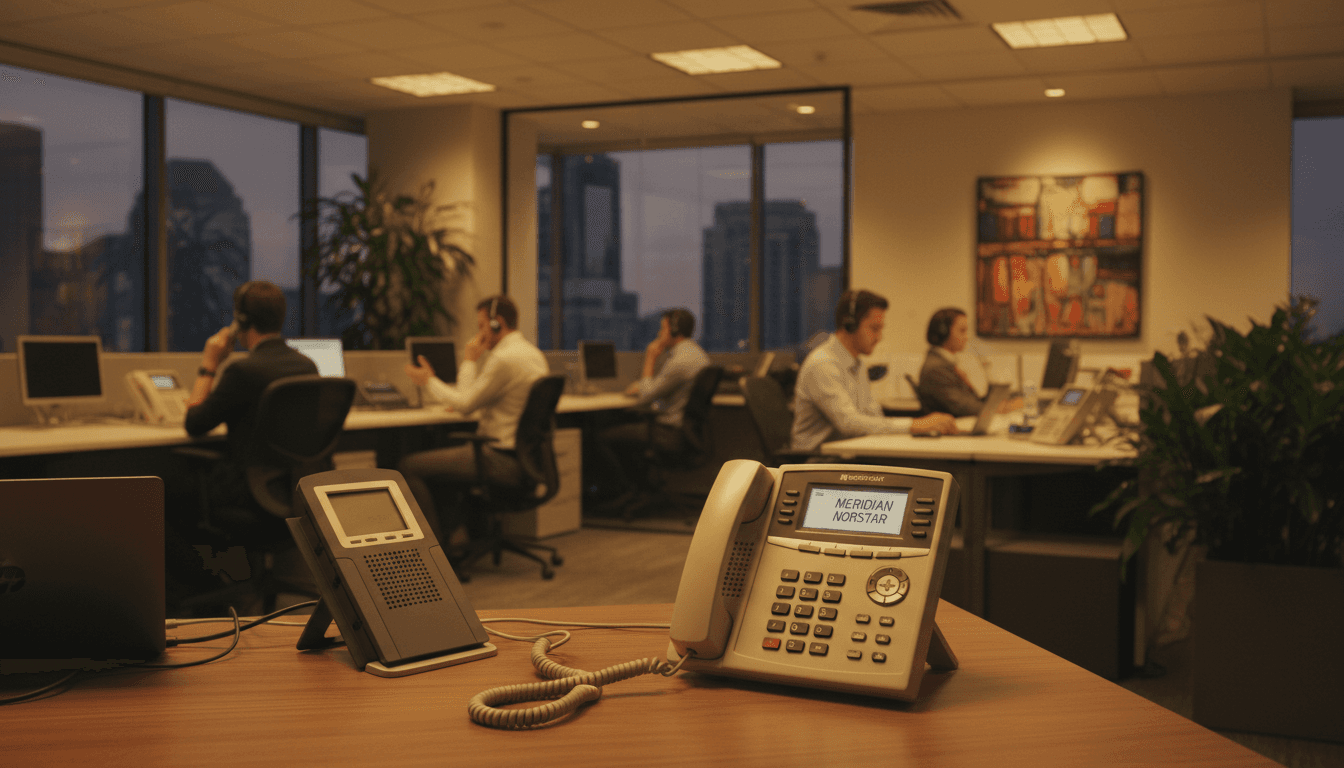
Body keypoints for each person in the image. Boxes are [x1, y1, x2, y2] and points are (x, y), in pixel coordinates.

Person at [399, 295, 549, 543]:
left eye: (481, 326)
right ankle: (459, 534)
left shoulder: (504, 359)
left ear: (496, 324)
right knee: (440, 456)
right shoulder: (531, 354)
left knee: (409, 466)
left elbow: (465, 404)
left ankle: (436, 552)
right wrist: (468, 388)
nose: (479, 333)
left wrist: (430, 380)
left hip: (500, 458)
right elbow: (471, 400)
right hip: (524, 457)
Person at [791, 290, 956, 452]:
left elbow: (873, 416)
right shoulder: (823, 365)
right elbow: (848, 424)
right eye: (874, 329)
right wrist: (916, 425)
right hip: (815, 461)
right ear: (850, 324)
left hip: (849, 454)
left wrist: (916, 428)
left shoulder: (858, 365)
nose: (879, 337)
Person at [184, 280, 319, 461]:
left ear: (241, 321)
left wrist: (210, 363)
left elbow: (194, 424)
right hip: (296, 481)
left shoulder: (241, 372)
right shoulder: (308, 367)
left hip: (249, 484)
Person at [594, 308, 710, 503]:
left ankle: (625, 493)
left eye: (662, 329)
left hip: (668, 431)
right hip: (685, 430)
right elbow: (663, 391)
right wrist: (646, 386)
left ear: (673, 331)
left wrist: (650, 357)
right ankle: (640, 488)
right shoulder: (696, 354)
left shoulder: (680, 361)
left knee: (602, 436)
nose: (659, 334)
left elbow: (645, 398)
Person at [917, 307, 1020, 417]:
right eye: (962, 331)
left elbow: (969, 402)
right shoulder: (937, 369)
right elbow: (963, 408)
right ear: (943, 332)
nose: (966, 337)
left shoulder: (944, 363)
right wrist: (1000, 408)